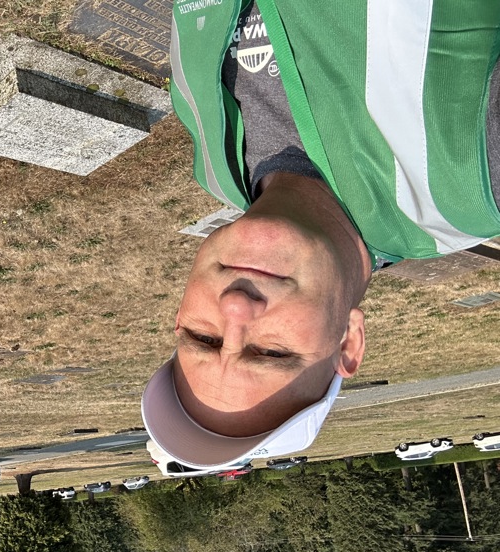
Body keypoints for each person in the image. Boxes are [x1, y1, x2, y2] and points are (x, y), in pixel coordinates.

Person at [142, 0, 500, 469]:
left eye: (202, 338)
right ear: (349, 341)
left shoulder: (215, 163)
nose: (234, 307)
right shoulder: (473, 183)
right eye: (270, 351)